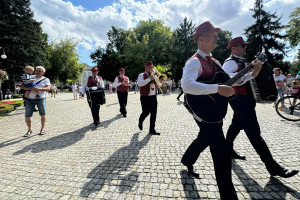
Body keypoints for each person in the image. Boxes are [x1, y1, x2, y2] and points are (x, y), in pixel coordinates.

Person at [223, 36, 298, 179]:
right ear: (234, 48)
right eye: (243, 46)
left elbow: (250, 77)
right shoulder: (229, 63)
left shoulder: (241, 62)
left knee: (236, 125)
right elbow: (229, 80)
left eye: (245, 45)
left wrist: (254, 71)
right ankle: (273, 167)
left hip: (246, 99)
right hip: (239, 100)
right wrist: (250, 71)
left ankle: (227, 149)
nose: (246, 47)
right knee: (254, 133)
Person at [180, 21, 238, 200]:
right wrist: (217, 89)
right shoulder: (193, 62)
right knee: (221, 150)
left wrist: (252, 74)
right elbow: (187, 85)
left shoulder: (215, 61)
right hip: (201, 109)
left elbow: (228, 82)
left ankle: (187, 160)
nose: (217, 38)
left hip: (212, 109)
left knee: (204, 138)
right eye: (213, 35)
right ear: (201, 38)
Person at [20, 66, 51, 137]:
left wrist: (38, 89)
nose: (37, 72)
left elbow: (48, 88)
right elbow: (22, 86)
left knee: (43, 114)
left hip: (41, 98)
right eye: (36, 70)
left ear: (43, 72)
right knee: (28, 115)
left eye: (39, 71)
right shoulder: (30, 76)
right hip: (29, 99)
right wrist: (29, 88)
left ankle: (42, 129)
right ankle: (29, 129)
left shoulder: (46, 79)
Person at [137, 61, 160, 135]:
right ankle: (140, 120)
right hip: (145, 97)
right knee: (146, 112)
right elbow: (140, 83)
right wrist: (150, 78)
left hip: (153, 97)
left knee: (154, 113)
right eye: (149, 67)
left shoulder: (154, 75)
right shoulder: (141, 75)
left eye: (151, 67)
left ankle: (152, 129)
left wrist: (161, 81)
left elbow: (159, 84)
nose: (150, 68)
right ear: (145, 67)